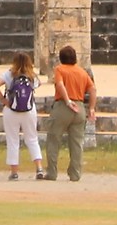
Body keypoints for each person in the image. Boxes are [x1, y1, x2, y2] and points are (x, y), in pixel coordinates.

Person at [41, 45, 96, 182]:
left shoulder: (60, 69)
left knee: (53, 139)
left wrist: (67, 100)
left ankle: (52, 172)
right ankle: (75, 173)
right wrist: (91, 108)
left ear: (61, 58)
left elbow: (60, 85)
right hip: (79, 107)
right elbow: (93, 89)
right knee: (77, 143)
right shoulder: (82, 72)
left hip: (63, 106)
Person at [0, 54, 42, 181]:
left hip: (11, 109)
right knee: (32, 139)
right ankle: (39, 168)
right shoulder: (31, 75)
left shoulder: (9, 74)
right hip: (29, 109)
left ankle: (14, 172)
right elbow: (38, 84)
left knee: (13, 140)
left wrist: (4, 100)